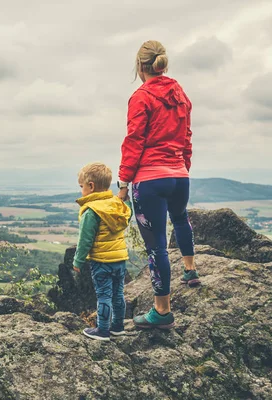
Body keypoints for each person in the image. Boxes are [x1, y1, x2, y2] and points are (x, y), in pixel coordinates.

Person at [117, 40, 200, 330]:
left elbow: (134, 140)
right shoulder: (181, 95)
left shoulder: (141, 97)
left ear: (141, 66)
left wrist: (124, 180)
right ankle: (190, 270)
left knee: (157, 247)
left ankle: (161, 311)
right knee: (181, 219)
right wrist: (183, 166)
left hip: (151, 180)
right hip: (179, 175)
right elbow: (186, 136)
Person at [73, 162, 132, 341]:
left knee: (104, 294)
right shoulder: (116, 204)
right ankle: (118, 327)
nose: (81, 190)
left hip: (101, 261)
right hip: (120, 259)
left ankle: (102, 330)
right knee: (118, 293)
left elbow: (85, 240)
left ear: (91, 187)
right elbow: (127, 215)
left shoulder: (91, 211)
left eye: (82, 186)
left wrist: (78, 261)